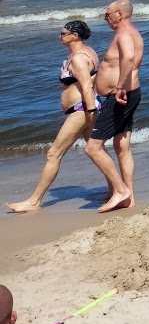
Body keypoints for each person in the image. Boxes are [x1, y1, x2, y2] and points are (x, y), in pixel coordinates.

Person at [6, 21, 101, 213]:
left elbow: (87, 86)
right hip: (84, 108)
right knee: (95, 150)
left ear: (75, 35)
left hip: (81, 109)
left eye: (63, 33)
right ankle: (116, 189)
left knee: (53, 154)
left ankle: (34, 201)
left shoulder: (79, 58)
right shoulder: (83, 53)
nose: (60, 36)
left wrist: (90, 113)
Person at [86, 0, 143, 212]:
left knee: (92, 148)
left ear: (119, 14)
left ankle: (120, 191)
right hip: (129, 94)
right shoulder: (132, 33)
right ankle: (129, 197)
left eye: (107, 14)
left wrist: (119, 86)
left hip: (119, 97)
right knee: (122, 146)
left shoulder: (124, 34)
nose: (105, 18)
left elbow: (128, 57)